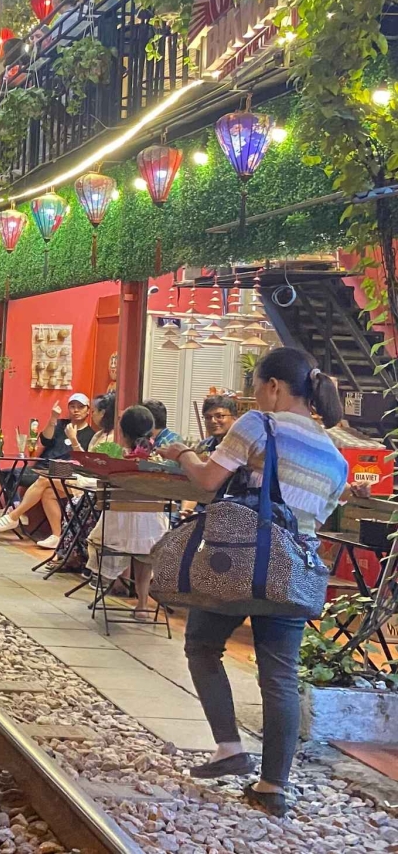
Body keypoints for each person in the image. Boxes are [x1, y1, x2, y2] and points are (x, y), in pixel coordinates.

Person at [158, 348, 349, 816]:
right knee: (280, 676)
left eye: (258, 388)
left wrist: (181, 452)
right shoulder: (335, 455)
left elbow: (208, 480)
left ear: (274, 386)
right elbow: (314, 519)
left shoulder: (258, 425)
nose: (256, 398)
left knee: (202, 645)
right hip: (293, 572)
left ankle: (229, 747)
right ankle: (273, 786)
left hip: (239, 561)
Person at [0, 392, 99, 548]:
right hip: (44, 466)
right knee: (9, 473)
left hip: (68, 472)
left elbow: (85, 461)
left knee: (43, 480)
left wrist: (74, 439)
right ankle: (25, 515)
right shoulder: (61, 425)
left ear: (88, 410)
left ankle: (14, 515)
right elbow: (45, 440)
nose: (76, 410)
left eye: (80, 407)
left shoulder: (92, 435)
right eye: (72, 406)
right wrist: (53, 418)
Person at [97, 404, 169, 620]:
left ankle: (113, 583)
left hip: (115, 534)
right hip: (153, 534)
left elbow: (102, 497)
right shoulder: (159, 463)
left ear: (123, 433)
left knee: (105, 534)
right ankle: (142, 604)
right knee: (144, 547)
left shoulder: (117, 463)